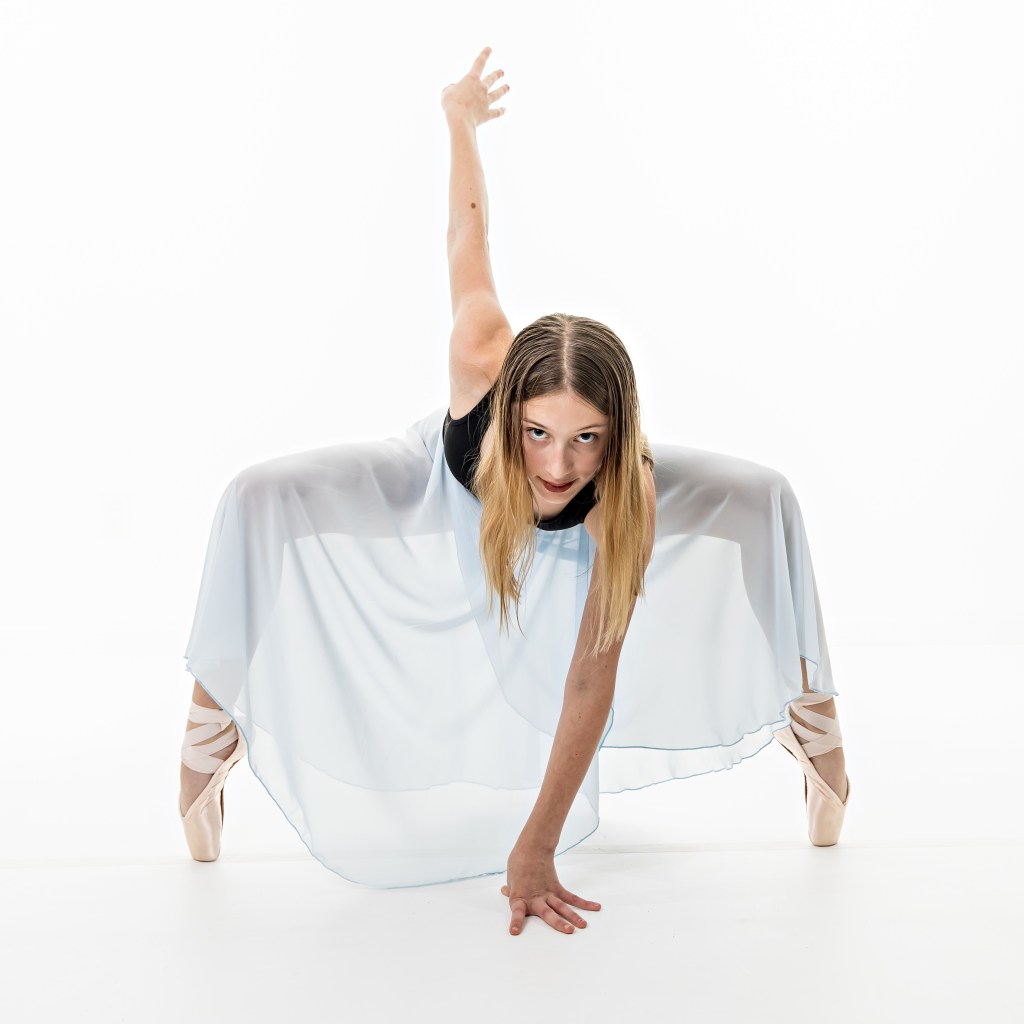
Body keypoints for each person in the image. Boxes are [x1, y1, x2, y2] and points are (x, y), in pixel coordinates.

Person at [178, 46, 850, 937]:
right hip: (441, 481)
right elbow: (467, 234)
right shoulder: (478, 355)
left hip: (614, 502)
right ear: (508, 413)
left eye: (586, 440)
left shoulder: (626, 490)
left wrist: (536, 843)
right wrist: (458, 120)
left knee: (766, 496)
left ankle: (809, 711)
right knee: (256, 495)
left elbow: (588, 679)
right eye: (538, 433)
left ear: (617, 434)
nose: (559, 466)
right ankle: (211, 724)